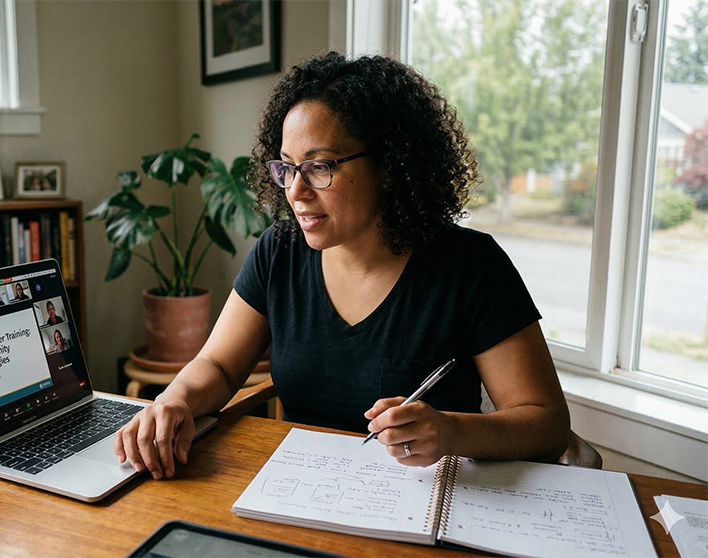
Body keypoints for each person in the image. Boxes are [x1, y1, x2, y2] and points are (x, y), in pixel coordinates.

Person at [113, 52, 570, 481]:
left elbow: (547, 425)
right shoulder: (280, 251)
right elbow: (218, 364)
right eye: (287, 168)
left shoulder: (470, 266)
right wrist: (174, 400)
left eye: (319, 166)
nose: (295, 190)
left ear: (390, 165)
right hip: (299, 490)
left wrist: (452, 432)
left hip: (424, 501)